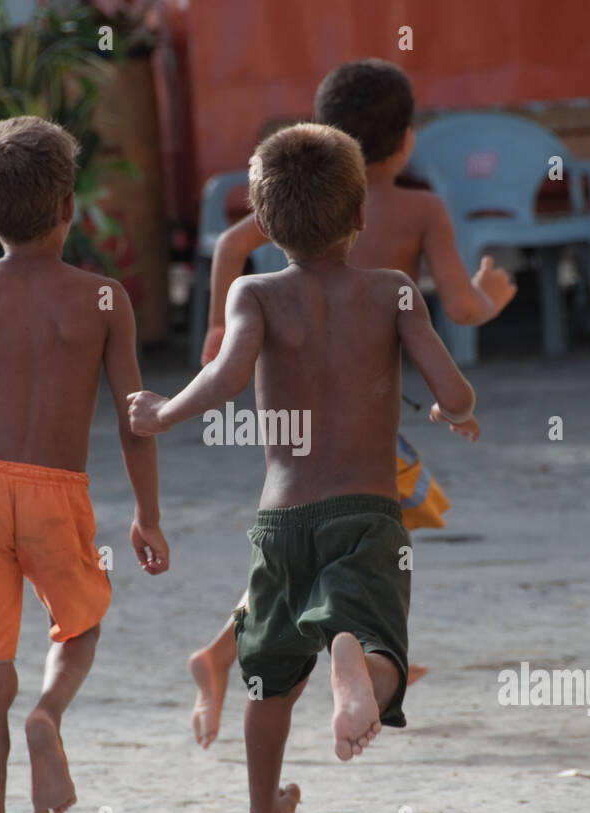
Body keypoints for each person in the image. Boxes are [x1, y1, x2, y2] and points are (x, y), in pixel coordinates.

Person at [128, 123, 478, 813]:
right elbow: (454, 388)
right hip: (369, 514)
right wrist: (452, 409)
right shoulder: (393, 291)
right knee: (382, 641)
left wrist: (160, 414)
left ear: (267, 226)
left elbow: (221, 380)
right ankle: (356, 664)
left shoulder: (254, 292)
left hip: (281, 520)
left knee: (268, 683)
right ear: (360, 218)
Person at [187, 59, 514, 749]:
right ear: (406, 140)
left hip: (299, 414)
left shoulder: (302, 205)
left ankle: (339, 645)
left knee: (322, 539)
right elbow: (459, 305)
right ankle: (318, 652)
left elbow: (234, 242)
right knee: (360, 534)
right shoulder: (422, 207)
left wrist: (221, 325)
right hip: (366, 419)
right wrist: (495, 295)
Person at [0, 116, 169, 813]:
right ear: (68, 208)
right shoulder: (102, 298)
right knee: (80, 623)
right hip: (56, 491)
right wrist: (146, 515)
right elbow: (134, 421)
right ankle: (49, 714)